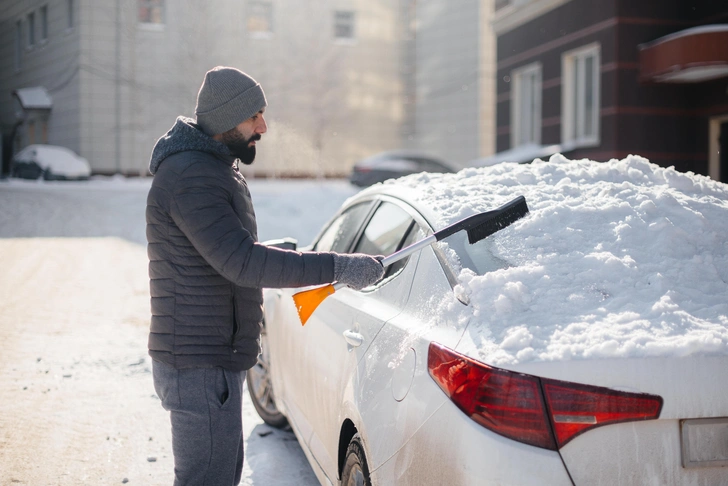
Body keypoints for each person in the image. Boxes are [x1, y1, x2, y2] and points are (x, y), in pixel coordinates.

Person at [145, 66, 384, 485]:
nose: (264, 126)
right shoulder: (192, 175)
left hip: (207, 358)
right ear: (224, 118)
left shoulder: (208, 167)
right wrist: (339, 266)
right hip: (200, 364)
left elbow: (223, 250)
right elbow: (241, 262)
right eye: (253, 115)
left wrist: (279, 253)